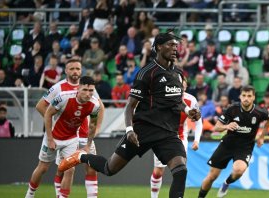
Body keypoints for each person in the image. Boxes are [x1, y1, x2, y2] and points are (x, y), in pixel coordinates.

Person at [58, 31, 201, 198]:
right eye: (170, 45)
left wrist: (187, 111)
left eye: (176, 45)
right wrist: (129, 130)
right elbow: (130, 106)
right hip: (142, 130)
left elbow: (177, 100)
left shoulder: (178, 73)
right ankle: (82, 156)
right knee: (109, 169)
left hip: (168, 133)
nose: (175, 48)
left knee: (181, 170)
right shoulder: (147, 73)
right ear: (159, 47)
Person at [27, 59, 104, 198]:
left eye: (78, 69)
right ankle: (34, 194)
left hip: (82, 134)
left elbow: (99, 106)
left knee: (87, 167)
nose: (75, 71)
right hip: (59, 133)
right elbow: (40, 106)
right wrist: (58, 121)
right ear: (66, 71)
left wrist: (97, 128)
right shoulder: (59, 88)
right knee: (55, 168)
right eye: (72, 68)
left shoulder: (89, 88)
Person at [198, 86, 269, 198]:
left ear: (254, 97)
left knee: (239, 170)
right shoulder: (232, 109)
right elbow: (217, 127)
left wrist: (262, 137)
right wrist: (227, 126)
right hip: (227, 145)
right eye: (244, 96)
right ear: (240, 96)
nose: (246, 98)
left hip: (245, 146)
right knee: (212, 176)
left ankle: (226, 183)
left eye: (249, 96)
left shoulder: (260, 112)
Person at [150, 78, 203, 198]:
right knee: (158, 172)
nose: (180, 88)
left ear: (185, 87)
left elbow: (199, 121)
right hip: (161, 138)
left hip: (180, 138)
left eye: (183, 86)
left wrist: (196, 140)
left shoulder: (191, 100)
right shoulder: (162, 97)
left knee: (181, 171)